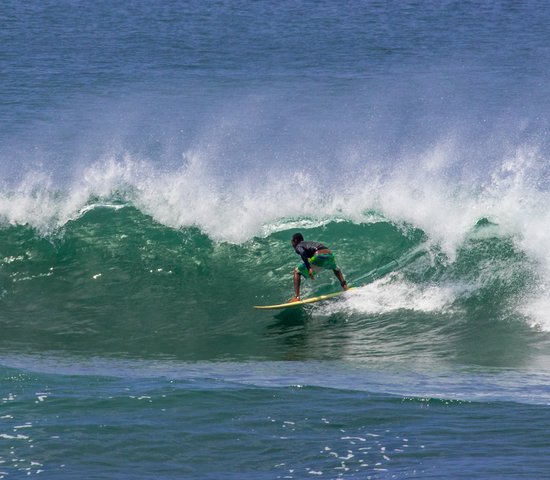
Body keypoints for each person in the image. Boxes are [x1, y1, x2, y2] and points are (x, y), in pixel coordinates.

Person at [289, 232, 348, 302]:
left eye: (292, 241)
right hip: (329, 254)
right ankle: (345, 286)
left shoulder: (298, 245)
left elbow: (302, 252)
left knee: (297, 271)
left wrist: (309, 268)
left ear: (295, 240)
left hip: (319, 255)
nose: (292, 244)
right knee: (336, 268)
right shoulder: (308, 243)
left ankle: (297, 297)